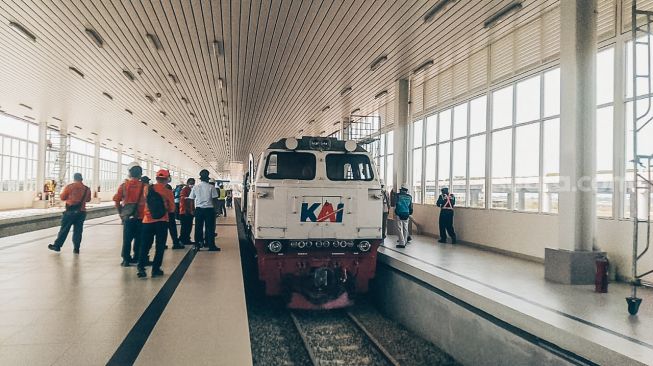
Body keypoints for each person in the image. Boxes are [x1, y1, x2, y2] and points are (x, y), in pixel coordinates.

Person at [137, 169, 175, 278]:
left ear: (157, 178)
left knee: (145, 245)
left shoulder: (147, 189)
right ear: (167, 179)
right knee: (160, 246)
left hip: (147, 221)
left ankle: (141, 267)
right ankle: (156, 269)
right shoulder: (168, 191)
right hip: (162, 222)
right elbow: (172, 208)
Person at [48, 173, 91, 253]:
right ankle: (76, 248)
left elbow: (62, 197)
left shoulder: (70, 187)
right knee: (78, 231)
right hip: (81, 212)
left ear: (74, 179)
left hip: (70, 212)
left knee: (64, 229)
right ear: (82, 179)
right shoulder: (87, 189)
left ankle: (57, 246)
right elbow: (88, 199)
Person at [113, 165, 146, 266]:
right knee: (139, 239)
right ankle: (137, 257)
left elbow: (116, 200)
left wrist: (121, 213)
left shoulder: (123, 186)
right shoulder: (144, 186)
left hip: (127, 217)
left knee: (127, 239)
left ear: (130, 173)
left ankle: (126, 259)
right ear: (140, 174)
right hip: (141, 217)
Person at [190, 170, 221, 251]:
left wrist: (192, 210)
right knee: (210, 228)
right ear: (207, 178)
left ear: (200, 178)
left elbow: (191, 199)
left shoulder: (195, 187)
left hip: (199, 210)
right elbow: (215, 199)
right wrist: (216, 210)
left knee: (198, 228)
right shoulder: (211, 187)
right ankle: (211, 245)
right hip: (209, 210)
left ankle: (197, 245)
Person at [394, 184, 413, 249]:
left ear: (401, 189)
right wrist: (409, 213)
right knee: (405, 228)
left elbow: (395, 203)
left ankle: (401, 243)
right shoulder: (410, 197)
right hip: (406, 213)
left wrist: (396, 212)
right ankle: (404, 242)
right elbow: (410, 206)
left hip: (399, 213)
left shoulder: (398, 195)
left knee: (399, 228)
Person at [165, 183, 183, 249]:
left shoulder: (160, 193)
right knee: (172, 229)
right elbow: (171, 205)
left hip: (163, 214)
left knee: (163, 230)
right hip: (170, 213)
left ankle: (163, 244)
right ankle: (175, 243)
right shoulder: (170, 194)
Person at [179, 178, 196, 245]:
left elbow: (192, 201)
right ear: (188, 183)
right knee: (185, 226)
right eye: (191, 183)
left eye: (193, 183)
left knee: (188, 226)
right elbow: (182, 198)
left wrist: (193, 210)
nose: (192, 185)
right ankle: (183, 239)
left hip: (190, 211)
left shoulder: (190, 189)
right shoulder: (185, 189)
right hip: (185, 212)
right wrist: (186, 210)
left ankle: (186, 239)